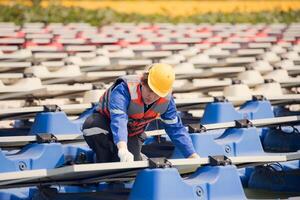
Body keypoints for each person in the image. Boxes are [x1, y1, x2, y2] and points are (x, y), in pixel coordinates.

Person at [82, 63, 200, 162]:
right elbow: (119, 119)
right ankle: (99, 158)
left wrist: (192, 155)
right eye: (150, 89)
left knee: (130, 166)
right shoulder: (123, 89)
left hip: (132, 133)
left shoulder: (167, 101)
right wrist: (122, 148)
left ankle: (138, 158)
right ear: (143, 82)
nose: (152, 96)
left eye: (157, 93)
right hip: (105, 124)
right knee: (93, 130)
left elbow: (175, 129)